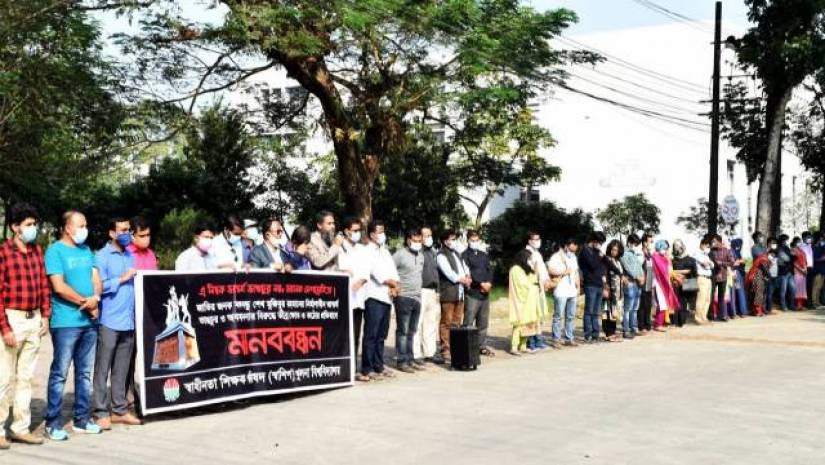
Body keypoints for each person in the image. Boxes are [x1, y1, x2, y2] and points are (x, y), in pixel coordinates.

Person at [44, 211, 103, 440]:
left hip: (89, 322)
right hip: (66, 322)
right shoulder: (55, 251)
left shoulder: (86, 250)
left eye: (85, 225)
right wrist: (86, 303)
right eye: (81, 225)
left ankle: (82, 419)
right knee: (60, 373)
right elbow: (58, 287)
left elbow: (96, 279)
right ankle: (53, 423)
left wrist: (95, 298)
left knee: (84, 373)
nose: (85, 229)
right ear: (68, 228)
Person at [0, 203, 50, 448]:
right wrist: (5, 328)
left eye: (34, 224)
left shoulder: (36, 251)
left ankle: (20, 427)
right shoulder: (3, 253)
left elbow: (43, 284)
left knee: (26, 378)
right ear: (14, 227)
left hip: (34, 319)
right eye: (28, 224)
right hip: (12, 319)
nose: (33, 228)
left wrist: (45, 315)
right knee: (3, 378)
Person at [93, 217, 142, 429]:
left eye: (128, 230)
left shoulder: (130, 255)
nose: (127, 234)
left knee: (121, 370)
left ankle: (119, 410)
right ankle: (100, 411)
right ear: (112, 233)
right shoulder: (101, 256)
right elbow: (99, 286)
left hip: (128, 321)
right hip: (109, 320)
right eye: (122, 230)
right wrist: (122, 278)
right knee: (102, 369)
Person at [359, 221, 399, 381]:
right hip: (373, 296)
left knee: (382, 334)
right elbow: (376, 273)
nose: (383, 234)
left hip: (386, 297)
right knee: (371, 334)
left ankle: (379, 365)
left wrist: (396, 285)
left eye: (383, 231)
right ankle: (367, 368)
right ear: (372, 234)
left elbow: (393, 271)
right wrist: (392, 283)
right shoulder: (367, 251)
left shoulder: (385, 251)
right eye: (379, 231)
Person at [392, 229, 424, 373]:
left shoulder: (421, 256)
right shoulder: (400, 254)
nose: (418, 243)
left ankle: (410, 359)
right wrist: (394, 287)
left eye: (420, 241)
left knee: (412, 331)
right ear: (408, 240)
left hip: (417, 297)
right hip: (403, 297)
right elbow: (389, 270)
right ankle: (402, 361)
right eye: (415, 241)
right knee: (403, 331)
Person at [436, 230, 471, 361]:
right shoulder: (441, 255)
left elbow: (465, 267)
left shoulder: (457, 253)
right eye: (452, 239)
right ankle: (445, 349)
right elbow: (449, 273)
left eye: (454, 238)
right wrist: (462, 279)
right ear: (445, 241)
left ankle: (455, 348)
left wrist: (467, 276)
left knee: (457, 322)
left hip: (460, 292)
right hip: (449, 292)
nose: (454, 241)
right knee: (447, 321)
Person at [337, 218, 369, 360]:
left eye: (359, 230)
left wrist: (362, 280)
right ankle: (342, 366)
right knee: (343, 335)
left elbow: (367, 269)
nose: (357, 233)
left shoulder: (362, 249)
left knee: (355, 335)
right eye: (355, 230)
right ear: (346, 231)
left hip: (359, 297)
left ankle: (354, 366)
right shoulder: (338, 248)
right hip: (344, 297)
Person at [461, 230, 494, 356]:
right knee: (468, 322)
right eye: (472, 240)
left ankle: (481, 346)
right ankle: (467, 348)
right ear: (468, 240)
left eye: (476, 240)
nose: (474, 242)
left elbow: (489, 270)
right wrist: (480, 284)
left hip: (485, 294)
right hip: (473, 293)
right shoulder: (464, 255)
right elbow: (468, 273)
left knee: (483, 323)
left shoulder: (483, 255)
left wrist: (489, 283)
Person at [414, 226, 442, 364]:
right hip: (420, 290)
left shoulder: (432, 252)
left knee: (430, 323)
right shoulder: (417, 252)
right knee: (417, 323)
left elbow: (436, 273)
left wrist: (438, 291)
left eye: (430, 235)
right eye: (426, 235)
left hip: (432, 291)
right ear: (420, 237)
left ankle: (429, 352)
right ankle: (416, 353)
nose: (429, 238)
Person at [508, 249, 541, 355]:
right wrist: (533, 286)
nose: (530, 261)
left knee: (529, 323)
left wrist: (535, 271)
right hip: (521, 301)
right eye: (529, 258)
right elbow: (522, 285)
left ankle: (523, 345)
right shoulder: (515, 269)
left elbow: (534, 280)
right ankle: (514, 347)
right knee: (519, 324)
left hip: (530, 300)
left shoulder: (525, 269)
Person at [548, 238, 580, 347]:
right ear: (566, 246)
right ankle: (556, 339)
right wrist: (563, 272)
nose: (572, 252)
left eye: (574, 250)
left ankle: (569, 338)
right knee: (558, 316)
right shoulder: (556, 257)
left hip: (572, 290)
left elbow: (576, 272)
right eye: (571, 249)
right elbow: (550, 269)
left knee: (570, 316)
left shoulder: (574, 257)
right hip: (561, 290)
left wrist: (578, 287)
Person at [578, 231, 606, 343]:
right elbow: (592, 265)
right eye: (599, 242)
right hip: (590, 284)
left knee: (596, 311)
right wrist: (599, 256)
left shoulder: (597, 251)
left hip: (599, 283)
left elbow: (603, 266)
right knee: (589, 310)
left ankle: (596, 333)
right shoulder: (585, 250)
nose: (600, 245)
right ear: (594, 240)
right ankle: (588, 334)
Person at [525, 232, 550, 350]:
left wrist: (546, 281)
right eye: (535, 239)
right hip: (531, 287)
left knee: (539, 316)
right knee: (532, 316)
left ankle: (538, 339)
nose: (537, 241)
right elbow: (530, 271)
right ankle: (531, 341)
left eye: (538, 239)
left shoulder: (537, 253)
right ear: (529, 241)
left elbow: (543, 270)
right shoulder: (527, 253)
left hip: (539, 287)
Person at [651, 240, 680, 331]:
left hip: (665, 282)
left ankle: (660, 323)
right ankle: (658, 324)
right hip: (659, 283)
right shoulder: (655, 256)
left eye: (666, 248)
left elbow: (668, 270)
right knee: (662, 304)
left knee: (664, 304)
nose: (666, 250)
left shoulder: (663, 257)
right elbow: (661, 271)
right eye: (664, 248)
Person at [620, 234, 644, 338]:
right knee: (628, 308)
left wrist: (642, 276)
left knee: (635, 308)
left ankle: (634, 328)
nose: (635, 246)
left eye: (637, 244)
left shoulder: (634, 253)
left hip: (637, 284)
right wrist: (637, 277)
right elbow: (627, 267)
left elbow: (639, 266)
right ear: (629, 242)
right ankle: (626, 330)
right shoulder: (624, 253)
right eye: (635, 243)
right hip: (630, 283)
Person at [709, 234, 736, 322]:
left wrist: (721, 263)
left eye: (714, 241)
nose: (713, 243)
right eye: (712, 242)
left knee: (721, 297)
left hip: (723, 277)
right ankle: (711, 316)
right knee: (711, 296)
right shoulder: (711, 251)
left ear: (720, 242)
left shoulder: (727, 251)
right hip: (713, 277)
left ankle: (722, 316)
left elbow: (732, 262)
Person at [671, 239, 696, 327]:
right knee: (675, 302)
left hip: (687, 283)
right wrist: (676, 274)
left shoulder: (689, 259)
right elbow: (670, 271)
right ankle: (674, 322)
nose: (677, 248)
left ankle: (683, 322)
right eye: (675, 246)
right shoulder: (673, 260)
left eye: (678, 246)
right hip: (675, 283)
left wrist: (676, 272)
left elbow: (690, 271)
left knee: (683, 302)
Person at [602, 239, 624, 341]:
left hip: (618, 291)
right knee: (607, 311)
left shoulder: (618, 262)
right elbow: (604, 275)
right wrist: (605, 287)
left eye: (615, 250)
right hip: (609, 289)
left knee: (614, 311)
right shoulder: (606, 260)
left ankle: (613, 332)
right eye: (612, 249)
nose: (613, 251)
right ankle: (608, 333)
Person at [692, 237, 714, 325]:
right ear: (702, 244)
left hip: (708, 278)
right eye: (707, 246)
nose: (707, 248)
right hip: (701, 278)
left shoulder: (706, 255)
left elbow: (712, 265)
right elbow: (705, 264)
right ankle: (698, 317)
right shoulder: (697, 253)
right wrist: (708, 263)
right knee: (701, 298)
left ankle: (704, 317)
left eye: (709, 247)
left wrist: (709, 263)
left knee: (707, 299)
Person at [746, 249, 773, 317]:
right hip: (757, 277)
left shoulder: (762, 258)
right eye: (772, 254)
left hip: (755, 277)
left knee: (755, 294)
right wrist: (769, 276)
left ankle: (755, 311)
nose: (772, 256)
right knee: (758, 294)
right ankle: (758, 312)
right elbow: (765, 269)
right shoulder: (763, 258)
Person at [638, 234, 656, 334]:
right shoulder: (640, 253)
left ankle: (647, 323)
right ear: (644, 243)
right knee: (642, 305)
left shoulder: (650, 254)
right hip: (642, 282)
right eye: (650, 241)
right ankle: (641, 326)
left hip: (649, 282)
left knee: (648, 304)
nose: (651, 244)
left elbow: (651, 269)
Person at [776, 234, 796, 311]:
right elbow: (787, 259)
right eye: (786, 240)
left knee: (793, 289)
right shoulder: (779, 249)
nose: (787, 241)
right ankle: (783, 305)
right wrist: (792, 257)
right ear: (782, 240)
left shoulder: (787, 248)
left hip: (790, 271)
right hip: (783, 272)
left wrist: (792, 257)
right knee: (783, 291)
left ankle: (791, 305)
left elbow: (793, 257)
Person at [729, 239, 748, 318]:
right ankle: (741, 312)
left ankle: (735, 312)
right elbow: (733, 263)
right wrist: (740, 261)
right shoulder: (733, 252)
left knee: (735, 293)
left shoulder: (735, 252)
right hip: (736, 274)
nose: (740, 246)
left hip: (735, 274)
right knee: (738, 293)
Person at [800, 231, 815, 309]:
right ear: (803, 238)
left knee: (810, 286)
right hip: (804, 268)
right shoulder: (801, 247)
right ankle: (806, 303)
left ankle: (810, 303)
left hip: (811, 267)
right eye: (808, 237)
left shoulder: (810, 246)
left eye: (810, 237)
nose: (810, 239)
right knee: (805, 286)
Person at [792, 237, 808, 311]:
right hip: (798, 271)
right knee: (797, 288)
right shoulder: (793, 250)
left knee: (802, 289)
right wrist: (801, 269)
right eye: (798, 242)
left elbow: (805, 261)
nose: (799, 243)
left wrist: (805, 269)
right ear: (794, 242)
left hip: (803, 271)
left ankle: (801, 304)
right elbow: (794, 262)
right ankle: (797, 305)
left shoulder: (801, 250)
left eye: (800, 241)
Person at [812, 234, 825, 308]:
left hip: (823, 270)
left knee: (819, 287)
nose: (822, 240)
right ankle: (814, 302)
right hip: (817, 270)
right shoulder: (813, 248)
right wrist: (821, 259)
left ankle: (818, 302)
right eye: (821, 239)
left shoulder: (821, 247)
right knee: (816, 287)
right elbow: (814, 259)